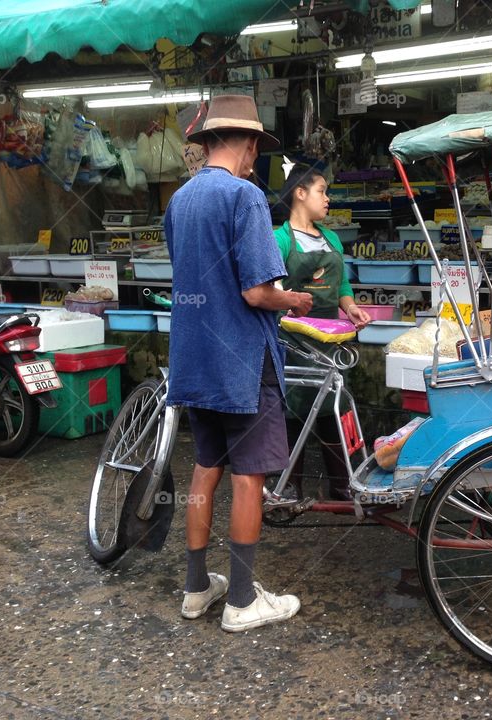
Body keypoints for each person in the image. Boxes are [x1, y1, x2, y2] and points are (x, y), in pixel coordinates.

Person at [163, 95, 313, 631]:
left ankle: (196, 589)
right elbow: (256, 292)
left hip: (194, 358)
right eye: (256, 148)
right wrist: (292, 300)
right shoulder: (244, 196)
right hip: (242, 362)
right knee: (249, 477)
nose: (256, 158)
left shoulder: (180, 200)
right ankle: (244, 600)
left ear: (205, 144)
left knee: (206, 469)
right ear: (247, 144)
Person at [273, 165, 371, 501]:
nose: (328, 199)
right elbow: (272, 288)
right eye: (322, 191)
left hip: (331, 336)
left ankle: (342, 485)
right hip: (294, 339)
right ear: (300, 193)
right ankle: (290, 486)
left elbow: (342, 283)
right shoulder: (279, 239)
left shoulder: (330, 238)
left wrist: (351, 307)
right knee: (294, 409)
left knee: (334, 404)